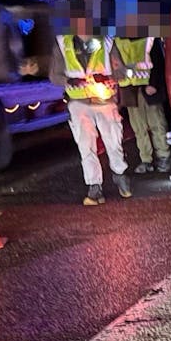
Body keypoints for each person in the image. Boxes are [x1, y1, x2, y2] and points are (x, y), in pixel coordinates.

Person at [49, 14, 130, 205]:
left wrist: (111, 77)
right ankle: (94, 187)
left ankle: (120, 175)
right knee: (86, 147)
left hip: (105, 102)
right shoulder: (63, 44)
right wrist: (69, 81)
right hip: (79, 104)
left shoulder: (107, 43)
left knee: (113, 142)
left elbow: (122, 71)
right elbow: (54, 75)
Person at [115, 33, 171, 173]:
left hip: (148, 87)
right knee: (139, 127)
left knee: (156, 123)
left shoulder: (149, 36)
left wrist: (153, 83)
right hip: (130, 89)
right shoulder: (117, 39)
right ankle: (146, 160)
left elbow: (157, 60)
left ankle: (164, 156)